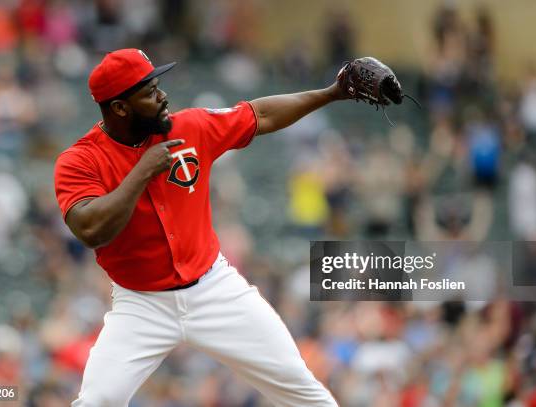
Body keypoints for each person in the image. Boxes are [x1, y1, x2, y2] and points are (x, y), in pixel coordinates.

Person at [54, 48, 350, 406]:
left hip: (214, 287)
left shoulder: (189, 126)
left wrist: (332, 92)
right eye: (148, 92)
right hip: (141, 303)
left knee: (300, 386)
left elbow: (261, 115)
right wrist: (142, 172)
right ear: (119, 108)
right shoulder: (80, 160)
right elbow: (89, 230)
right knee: (96, 401)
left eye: (157, 85)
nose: (162, 96)